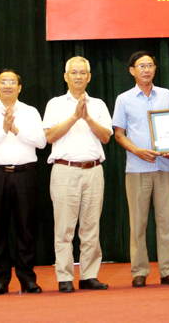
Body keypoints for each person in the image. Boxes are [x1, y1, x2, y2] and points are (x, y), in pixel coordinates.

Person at [112, 51, 169, 288]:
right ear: (132, 71)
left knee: (167, 221)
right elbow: (119, 134)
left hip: (165, 166)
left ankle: (167, 270)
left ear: (155, 68)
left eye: (150, 65)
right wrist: (136, 151)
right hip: (137, 168)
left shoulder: (166, 95)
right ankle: (139, 271)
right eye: (141, 66)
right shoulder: (124, 99)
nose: (146, 69)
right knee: (138, 222)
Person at [0, 69, 47, 295]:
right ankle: (1, 280)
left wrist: (15, 130)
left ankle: (27, 278)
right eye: (3, 82)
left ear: (19, 87)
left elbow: (41, 142)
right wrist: (2, 131)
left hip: (25, 175)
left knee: (26, 228)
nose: (8, 85)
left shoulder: (31, 112)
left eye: (12, 82)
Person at [43, 57, 112, 293]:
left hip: (93, 170)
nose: (78, 76)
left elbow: (106, 137)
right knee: (64, 228)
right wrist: (74, 117)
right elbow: (49, 137)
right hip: (65, 170)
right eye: (74, 72)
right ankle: (64, 276)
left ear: (89, 77)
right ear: (66, 76)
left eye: (83, 72)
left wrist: (87, 117)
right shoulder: (55, 104)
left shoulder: (98, 105)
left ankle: (89, 275)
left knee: (91, 227)